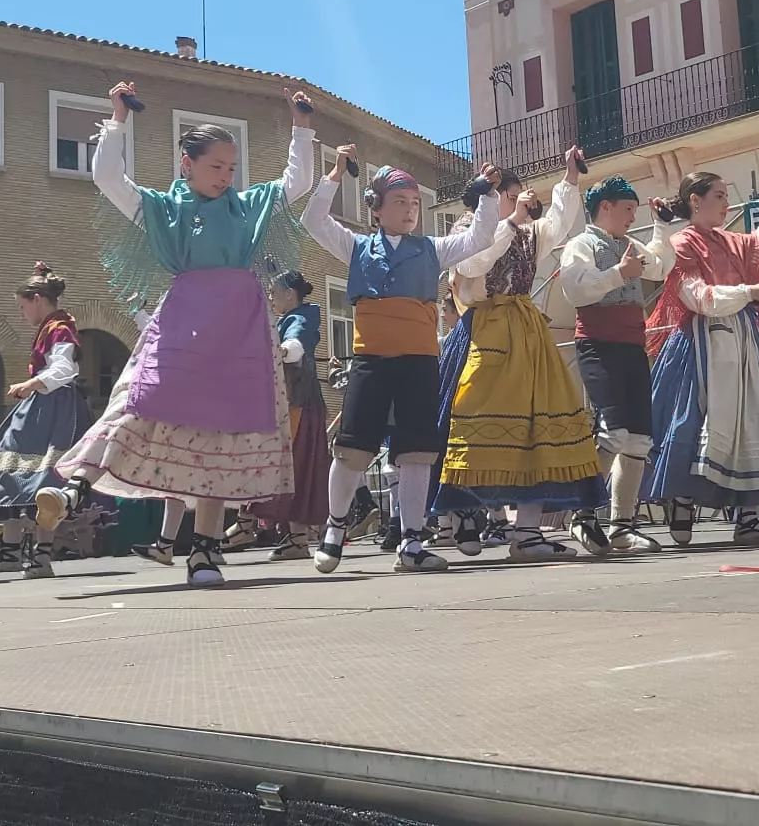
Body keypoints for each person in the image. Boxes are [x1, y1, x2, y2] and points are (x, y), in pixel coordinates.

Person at [35, 82, 314, 588]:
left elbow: (297, 182)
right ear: (187, 163)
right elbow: (107, 178)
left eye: (231, 169)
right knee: (136, 405)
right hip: (186, 327)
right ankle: (75, 489)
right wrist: (116, 121)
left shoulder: (247, 207)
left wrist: (301, 127)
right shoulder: (165, 210)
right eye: (216, 168)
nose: (226, 177)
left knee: (218, 437)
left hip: (239, 333)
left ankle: (203, 552)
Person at [301, 146, 502, 573]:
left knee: (416, 451)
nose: (410, 210)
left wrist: (487, 195)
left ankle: (412, 539)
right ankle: (335, 527)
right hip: (372, 359)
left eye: (414, 203)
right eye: (400, 202)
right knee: (353, 447)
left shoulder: (432, 248)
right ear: (375, 209)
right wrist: (334, 173)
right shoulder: (356, 247)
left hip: (418, 360)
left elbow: (480, 238)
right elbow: (313, 220)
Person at [437, 148, 606, 561]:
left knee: (539, 430)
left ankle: (527, 531)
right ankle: (463, 514)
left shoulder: (526, 233)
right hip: (483, 330)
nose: (521, 202)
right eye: (511, 196)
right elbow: (476, 266)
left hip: (525, 333)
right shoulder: (469, 234)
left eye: (516, 197)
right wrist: (509, 221)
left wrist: (568, 179)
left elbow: (560, 224)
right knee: (469, 426)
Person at [641, 171, 759, 545]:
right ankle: (682, 500)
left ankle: (749, 517)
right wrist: (751, 291)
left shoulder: (732, 241)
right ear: (695, 201)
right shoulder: (681, 243)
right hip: (701, 344)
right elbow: (698, 297)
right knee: (694, 422)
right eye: (719, 195)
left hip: (743, 342)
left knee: (752, 422)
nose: (726, 203)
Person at [558, 175, 677, 553]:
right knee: (613, 430)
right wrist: (617, 274)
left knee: (639, 437)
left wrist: (662, 225)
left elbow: (659, 266)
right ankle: (583, 510)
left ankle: (622, 525)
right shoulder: (580, 244)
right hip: (598, 345)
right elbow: (575, 287)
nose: (631, 217)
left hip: (631, 346)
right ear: (604, 207)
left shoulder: (629, 244)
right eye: (627, 209)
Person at [0, 264, 93, 579]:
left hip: (53, 410)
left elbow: (64, 370)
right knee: (10, 470)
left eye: (22, 306)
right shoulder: (52, 327)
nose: (21, 313)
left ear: (37, 299)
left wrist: (29, 385)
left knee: (44, 480)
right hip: (41, 408)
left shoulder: (60, 328)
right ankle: (13, 552)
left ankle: (40, 556)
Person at [249, 270, 329, 562]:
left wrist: (284, 350)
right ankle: (292, 537)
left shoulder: (303, 318)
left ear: (289, 295)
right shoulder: (284, 319)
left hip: (298, 405)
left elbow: (296, 345)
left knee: (293, 469)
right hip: (285, 404)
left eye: (274, 292)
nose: (270, 297)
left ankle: (259, 528)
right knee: (288, 469)